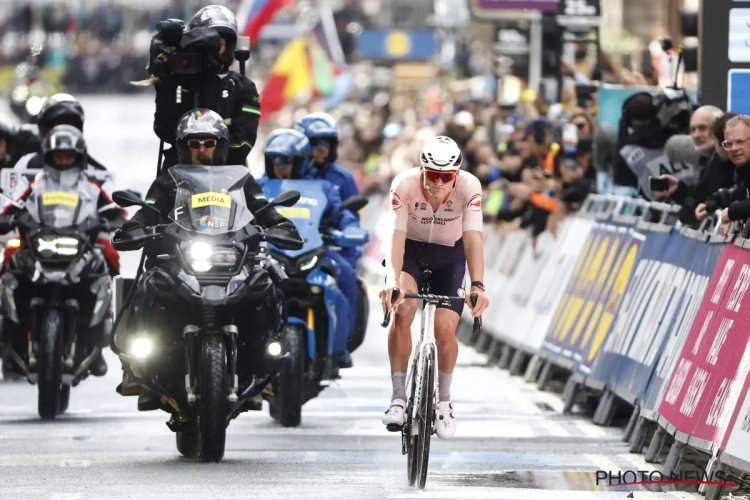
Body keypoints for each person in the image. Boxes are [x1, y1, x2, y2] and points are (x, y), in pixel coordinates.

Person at [116, 109, 301, 406]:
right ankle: (137, 370)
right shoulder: (168, 181)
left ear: (221, 144)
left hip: (232, 260)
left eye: (209, 142)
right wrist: (135, 227)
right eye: (193, 143)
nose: (202, 149)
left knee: (266, 284)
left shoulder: (241, 181)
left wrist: (280, 225)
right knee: (146, 286)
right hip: (179, 260)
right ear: (182, 146)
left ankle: (260, 364)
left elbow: (264, 209)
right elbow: (147, 211)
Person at [380, 136, 490, 440]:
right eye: (432, 175)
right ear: (421, 170)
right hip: (411, 253)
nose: (439, 183)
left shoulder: (470, 187)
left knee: (444, 328)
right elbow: (396, 236)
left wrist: (478, 285)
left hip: (449, 257)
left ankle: (443, 402)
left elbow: (473, 239)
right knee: (405, 309)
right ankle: (399, 397)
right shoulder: (404, 185)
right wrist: (391, 281)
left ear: (456, 175)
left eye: (446, 177)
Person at [0, 125, 126, 377]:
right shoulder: (35, 184)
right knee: (10, 266)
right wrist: (9, 217)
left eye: (69, 155)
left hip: (80, 247)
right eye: (59, 156)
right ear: (49, 156)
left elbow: (116, 210)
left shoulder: (91, 186)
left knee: (106, 263)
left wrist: (116, 219)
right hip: (39, 246)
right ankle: (9, 334)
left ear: (79, 157)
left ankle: (100, 337)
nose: (64, 160)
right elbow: (12, 205)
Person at [257, 128, 361, 368]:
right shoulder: (256, 187)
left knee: (345, 280)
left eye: (288, 161)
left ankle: (339, 348)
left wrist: (349, 228)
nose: (281, 166)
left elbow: (342, 214)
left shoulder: (323, 188)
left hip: (313, 252)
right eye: (275, 159)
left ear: (302, 162)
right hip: (268, 255)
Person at [147, 5, 261, 170]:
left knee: (256, 197)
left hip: (229, 176)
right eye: (206, 47)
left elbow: (243, 144)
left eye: (218, 45)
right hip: (178, 174)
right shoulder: (179, 82)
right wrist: (165, 83)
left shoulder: (243, 87)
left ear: (229, 47)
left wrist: (203, 154)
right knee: (154, 197)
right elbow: (163, 130)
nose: (212, 53)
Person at [13, 94, 109, 173]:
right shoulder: (26, 165)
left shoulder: (96, 171)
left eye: (70, 128)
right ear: (45, 130)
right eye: (58, 128)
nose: (64, 136)